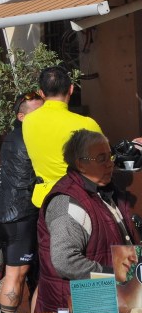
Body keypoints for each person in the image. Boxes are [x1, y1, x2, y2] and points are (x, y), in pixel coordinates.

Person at [36, 129, 140, 313]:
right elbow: (64, 260)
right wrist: (112, 274)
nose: (110, 165)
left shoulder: (105, 191)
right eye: (101, 159)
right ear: (81, 164)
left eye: (110, 157)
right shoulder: (67, 202)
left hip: (107, 301)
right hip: (81, 305)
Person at [0, 93, 44, 313]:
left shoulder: (12, 137)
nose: (42, 117)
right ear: (21, 116)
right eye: (37, 113)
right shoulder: (30, 138)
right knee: (17, 274)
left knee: (11, 272)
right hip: (20, 214)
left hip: (5, 213)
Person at [24, 67, 102, 208]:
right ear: (71, 89)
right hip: (78, 200)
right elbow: (102, 162)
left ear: (41, 93)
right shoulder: (86, 124)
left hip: (44, 200)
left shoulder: (28, 121)